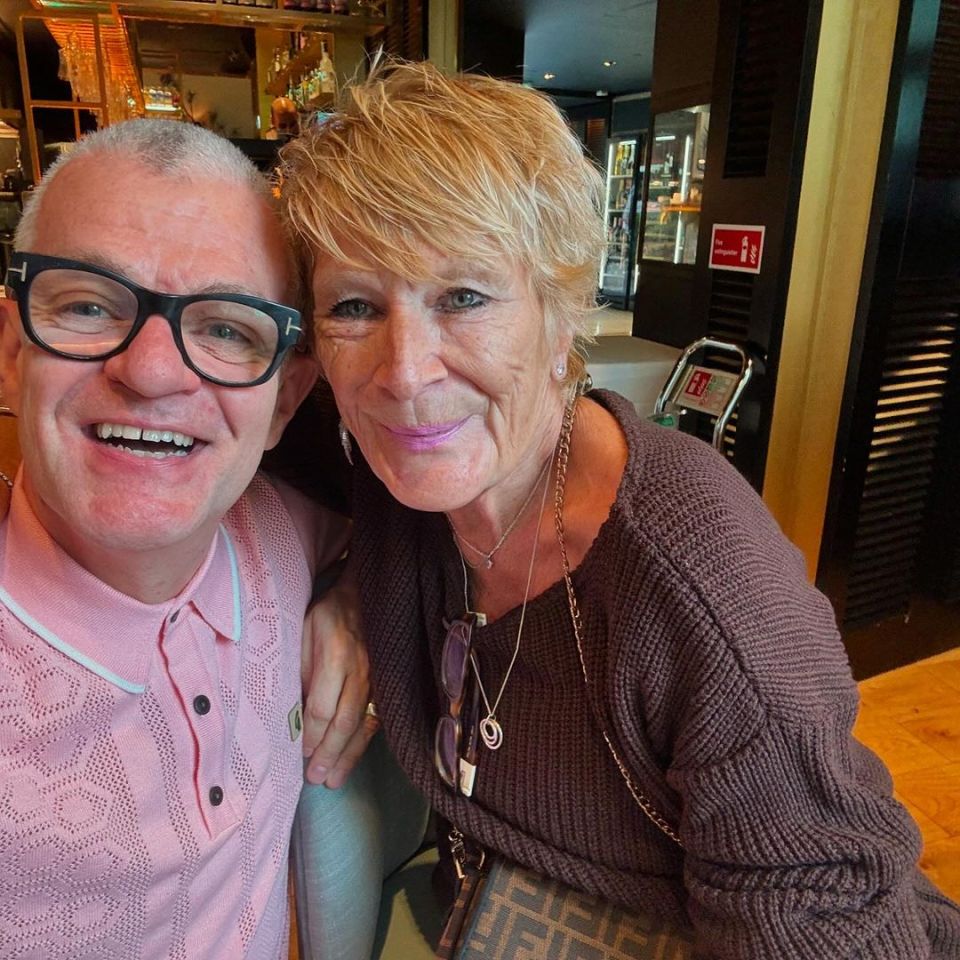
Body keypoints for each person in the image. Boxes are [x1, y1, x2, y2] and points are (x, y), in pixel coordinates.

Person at [279, 60, 960, 958]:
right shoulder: (389, 466)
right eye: (356, 306)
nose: (404, 373)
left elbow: (828, 915)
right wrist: (342, 588)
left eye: (465, 298)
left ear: (563, 316)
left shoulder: (701, 592)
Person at [0, 119, 377, 959]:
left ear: (285, 403)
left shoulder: (274, 530)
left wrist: (351, 593)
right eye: (90, 306)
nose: (154, 370)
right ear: (10, 349)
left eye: (225, 329)